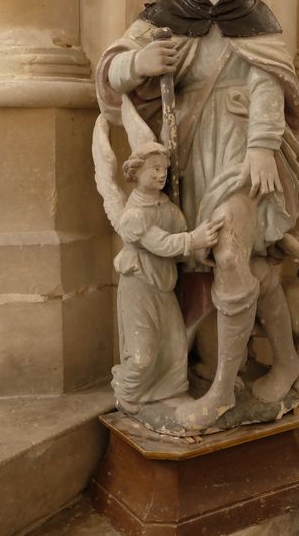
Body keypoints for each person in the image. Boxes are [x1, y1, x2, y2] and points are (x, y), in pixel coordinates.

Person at [97, 0, 299, 431]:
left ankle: (218, 395)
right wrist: (136, 64)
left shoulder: (256, 17)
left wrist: (262, 143)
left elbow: (269, 81)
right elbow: (114, 64)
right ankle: (280, 362)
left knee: (233, 256)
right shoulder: (167, 12)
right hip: (185, 156)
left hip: (242, 155)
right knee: (231, 267)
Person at [113, 140, 223, 414]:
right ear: (136, 173)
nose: (161, 174)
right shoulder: (133, 216)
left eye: (164, 168)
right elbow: (161, 243)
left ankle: (171, 392)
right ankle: (128, 391)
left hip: (164, 285)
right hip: (139, 288)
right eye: (154, 168)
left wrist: (203, 249)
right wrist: (193, 240)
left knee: (175, 347)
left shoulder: (169, 208)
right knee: (142, 356)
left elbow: (181, 248)